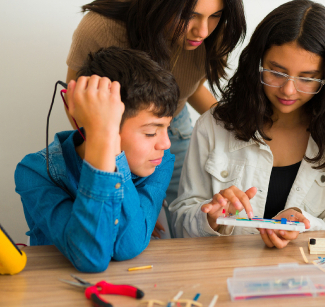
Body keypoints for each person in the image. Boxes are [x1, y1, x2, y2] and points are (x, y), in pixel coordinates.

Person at [169, 0, 325, 248]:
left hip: (304, 278)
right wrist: (211, 217)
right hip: (224, 276)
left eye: (307, 78)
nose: (288, 90)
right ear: (257, 63)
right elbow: (180, 222)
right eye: (277, 72)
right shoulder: (214, 126)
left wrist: (304, 225)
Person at [66, 0, 247, 236]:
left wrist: (238, 126)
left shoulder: (216, 34)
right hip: (112, 132)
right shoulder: (101, 28)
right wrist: (131, 208)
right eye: (189, 15)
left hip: (174, 119)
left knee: (186, 221)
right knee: (121, 229)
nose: (202, 31)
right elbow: (77, 106)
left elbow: (188, 86)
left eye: (215, 15)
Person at [15, 47, 178, 272]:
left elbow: (127, 246)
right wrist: (104, 138)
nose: (166, 144)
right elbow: (90, 257)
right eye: (151, 132)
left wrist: (111, 151)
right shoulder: (36, 172)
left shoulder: (160, 162)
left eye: (168, 128)